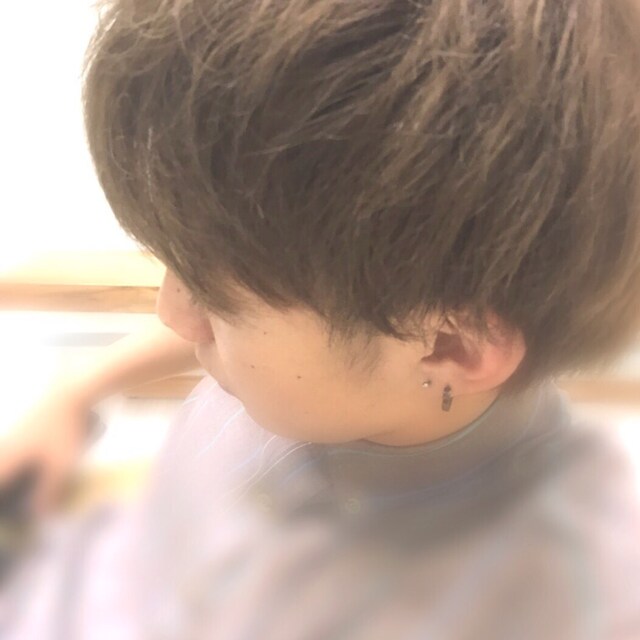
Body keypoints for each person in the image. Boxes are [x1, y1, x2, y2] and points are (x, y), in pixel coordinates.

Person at [2, 0, 640, 637]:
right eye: (179, 263)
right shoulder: (350, 344)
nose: (172, 312)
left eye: (215, 299)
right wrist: (77, 391)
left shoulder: (561, 604)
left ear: (451, 346)